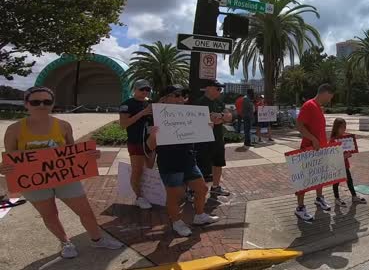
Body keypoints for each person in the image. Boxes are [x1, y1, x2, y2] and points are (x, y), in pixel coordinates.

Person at [1, 87, 123, 258]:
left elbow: (73, 152)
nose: (42, 105)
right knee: (50, 214)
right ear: (26, 104)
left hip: (65, 177)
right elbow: (10, 158)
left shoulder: (63, 126)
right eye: (36, 102)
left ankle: (98, 240)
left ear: (53, 104)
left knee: (85, 211)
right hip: (34, 182)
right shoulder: (14, 129)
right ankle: (65, 242)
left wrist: (91, 155)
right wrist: (4, 167)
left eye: (47, 101)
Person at [146, 85, 219, 237]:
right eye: (176, 95)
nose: (181, 99)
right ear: (164, 98)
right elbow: (150, 146)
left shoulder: (189, 114)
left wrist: (207, 128)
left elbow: (198, 136)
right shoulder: (155, 116)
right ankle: (177, 222)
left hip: (188, 159)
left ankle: (199, 216)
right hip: (169, 161)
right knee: (176, 195)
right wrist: (153, 135)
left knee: (202, 189)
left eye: (183, 96)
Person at [294, 83, 335, 221]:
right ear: (324, 93)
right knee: (304, 179)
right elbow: (299, 125)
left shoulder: (319, 108)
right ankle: (300, 208)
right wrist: (312, 139)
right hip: (309, 149)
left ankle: (319, 198)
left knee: (320, 176)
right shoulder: (309, 105)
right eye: (329, 97)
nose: (329, 100)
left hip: (320, 150)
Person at [193, 79, 233, 198]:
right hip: (203, 141)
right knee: (200, 166)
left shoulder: (219, 102)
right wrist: (219, 118)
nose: (220, 91)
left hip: (218, 139)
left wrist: (220, 116)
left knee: (218, 163)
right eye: (218, 89)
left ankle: (215, 187)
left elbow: (229, 116)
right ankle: (194, 191)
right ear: (208, 88)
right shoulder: (199, 103)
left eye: (220, 89)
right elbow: (200, 121)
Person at [119, 79, 154, 210]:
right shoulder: (127, 104)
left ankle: (149, 194)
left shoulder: (150, 103)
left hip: (150, 142)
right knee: (137, 170)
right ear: (135, 89)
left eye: (147, 89)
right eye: (142, 89)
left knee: (149, 169)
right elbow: (123, 124)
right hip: (135, 141)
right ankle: (139, 197)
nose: (145, 92)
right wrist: (142, 113)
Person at [330, 118, 367, 206]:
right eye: (342, 127)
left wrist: (349, 153)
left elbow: (347, 150)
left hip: (345, 164)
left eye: (345, 127)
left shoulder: (345, 139)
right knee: (336, 182)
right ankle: (337, 198)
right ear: (336, 128)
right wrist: (343, 156)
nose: (344, 129)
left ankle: (354, 196)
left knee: (349, 180)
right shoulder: (333, 140)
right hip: (336, 165)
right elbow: (332, 156)